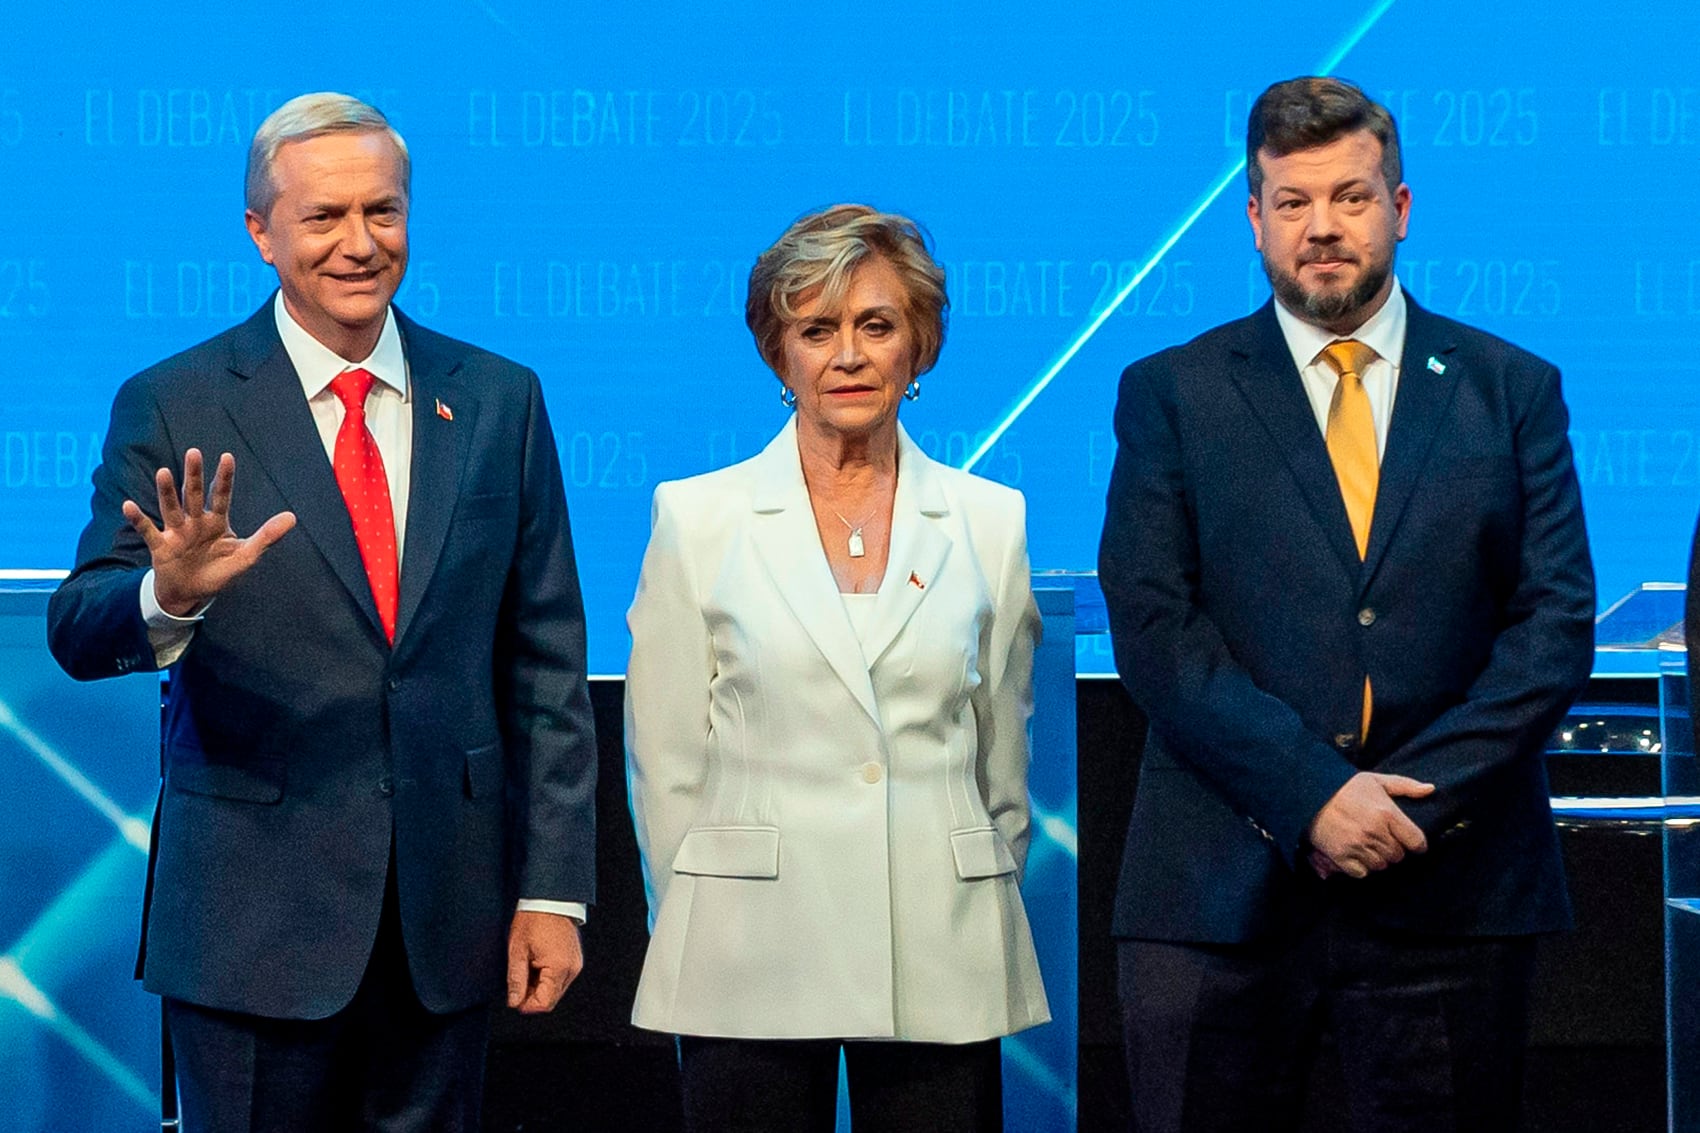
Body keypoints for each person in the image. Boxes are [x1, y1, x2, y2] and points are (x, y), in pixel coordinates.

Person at [45, 92, 597, 1131]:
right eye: (323, 218)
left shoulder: (497, 398)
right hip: (252, 925)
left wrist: (554, 891)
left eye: (381, 213)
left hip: (447, 920)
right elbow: (79, 625)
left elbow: (544, 664)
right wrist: (169, 595)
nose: (359, 244)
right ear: (260, 232)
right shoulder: (176, 401)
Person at [1098, 76, 1595, 1132]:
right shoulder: (1171, 392)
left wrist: (1402, 807)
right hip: (1217, 897)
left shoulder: (1511, 388)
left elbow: (1550, 626)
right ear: (1252, 218)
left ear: (1400, 207)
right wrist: (1311, 794)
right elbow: (1152, 625)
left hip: (1450, 888)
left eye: (1350, 197)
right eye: (1291, 202)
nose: (1321, 227)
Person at [624, 204, 1049, 1133]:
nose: (848, 355)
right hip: (749, 949)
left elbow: (1002, 764)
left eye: (876, 325)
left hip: (942, 945)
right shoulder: (699, 518)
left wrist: (961, 873)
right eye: (817, 330)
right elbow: (667, 763)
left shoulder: (990, 520)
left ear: (918, 345)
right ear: (781, 355)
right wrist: (701, 909)